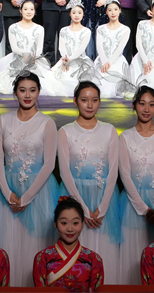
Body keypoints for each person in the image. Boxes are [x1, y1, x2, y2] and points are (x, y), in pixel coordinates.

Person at [0, 73, 61, 285]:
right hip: (6, 190)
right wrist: (8, 193)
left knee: (35, 244)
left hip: (39, 192)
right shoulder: (3, 120)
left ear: (39, 92)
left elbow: (49, 164)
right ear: (15, 92)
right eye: (22, 90)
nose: (27, 95)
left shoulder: (47, 123)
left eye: (32, 90)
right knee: (8, 241)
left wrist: (26, 197)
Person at [57, 81, 121, 283]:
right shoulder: (65, 131)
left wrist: (102, 207)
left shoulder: (109, 130)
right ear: (75, 101)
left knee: (104, 248)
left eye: (94, 100)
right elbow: (65, 172)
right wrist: (83, 209)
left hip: (104, 199)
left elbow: (113, 171)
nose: (90, 105)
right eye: (84, 100)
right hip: (74, 196)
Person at [117, 88, 154, 283]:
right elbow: (125, 175)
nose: (146, 109)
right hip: (134, 206)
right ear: (134, 106)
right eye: (142, 104)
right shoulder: (125, 137)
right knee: (135, 254)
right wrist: (144, 209)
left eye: (151, 104)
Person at [32, 196, 105, 291]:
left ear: (82, 224)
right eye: (64, 223)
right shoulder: (42, 258)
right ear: (55, 224)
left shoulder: (94, 259)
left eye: (75, 223)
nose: (70, 229)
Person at [0, 0, 45, 95]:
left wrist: (32, 57)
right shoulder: (13, 27)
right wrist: (26, 55)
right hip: (17, 59)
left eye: (31, 9)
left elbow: (39, 48)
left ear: (35, 11)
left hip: (34, 60)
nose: (29, 12)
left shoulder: (40, 28)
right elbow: (14, 48)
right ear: (20, 11)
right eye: (26, 9)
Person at [43, 0, 92, 97]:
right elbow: (61, 47)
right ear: (69, 14)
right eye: (74, 12)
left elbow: (81, 48)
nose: (77, 15)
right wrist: (65, 59)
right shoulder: (64, 30)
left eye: (79, 13)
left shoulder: (86, 31)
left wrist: (70, 60)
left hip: (79, 60)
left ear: (83, 14)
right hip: (65, 60)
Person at [93, 1, 130, 98]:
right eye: (110, 10)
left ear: (120, 11)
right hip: (102, 60)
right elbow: (99, 46)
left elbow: (120, 47)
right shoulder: (100, 28)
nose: (113, 12)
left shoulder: (125, 29)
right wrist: (104, 61)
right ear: (106, 12)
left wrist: (109, 62)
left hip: (117, 60)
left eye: (115, 9)